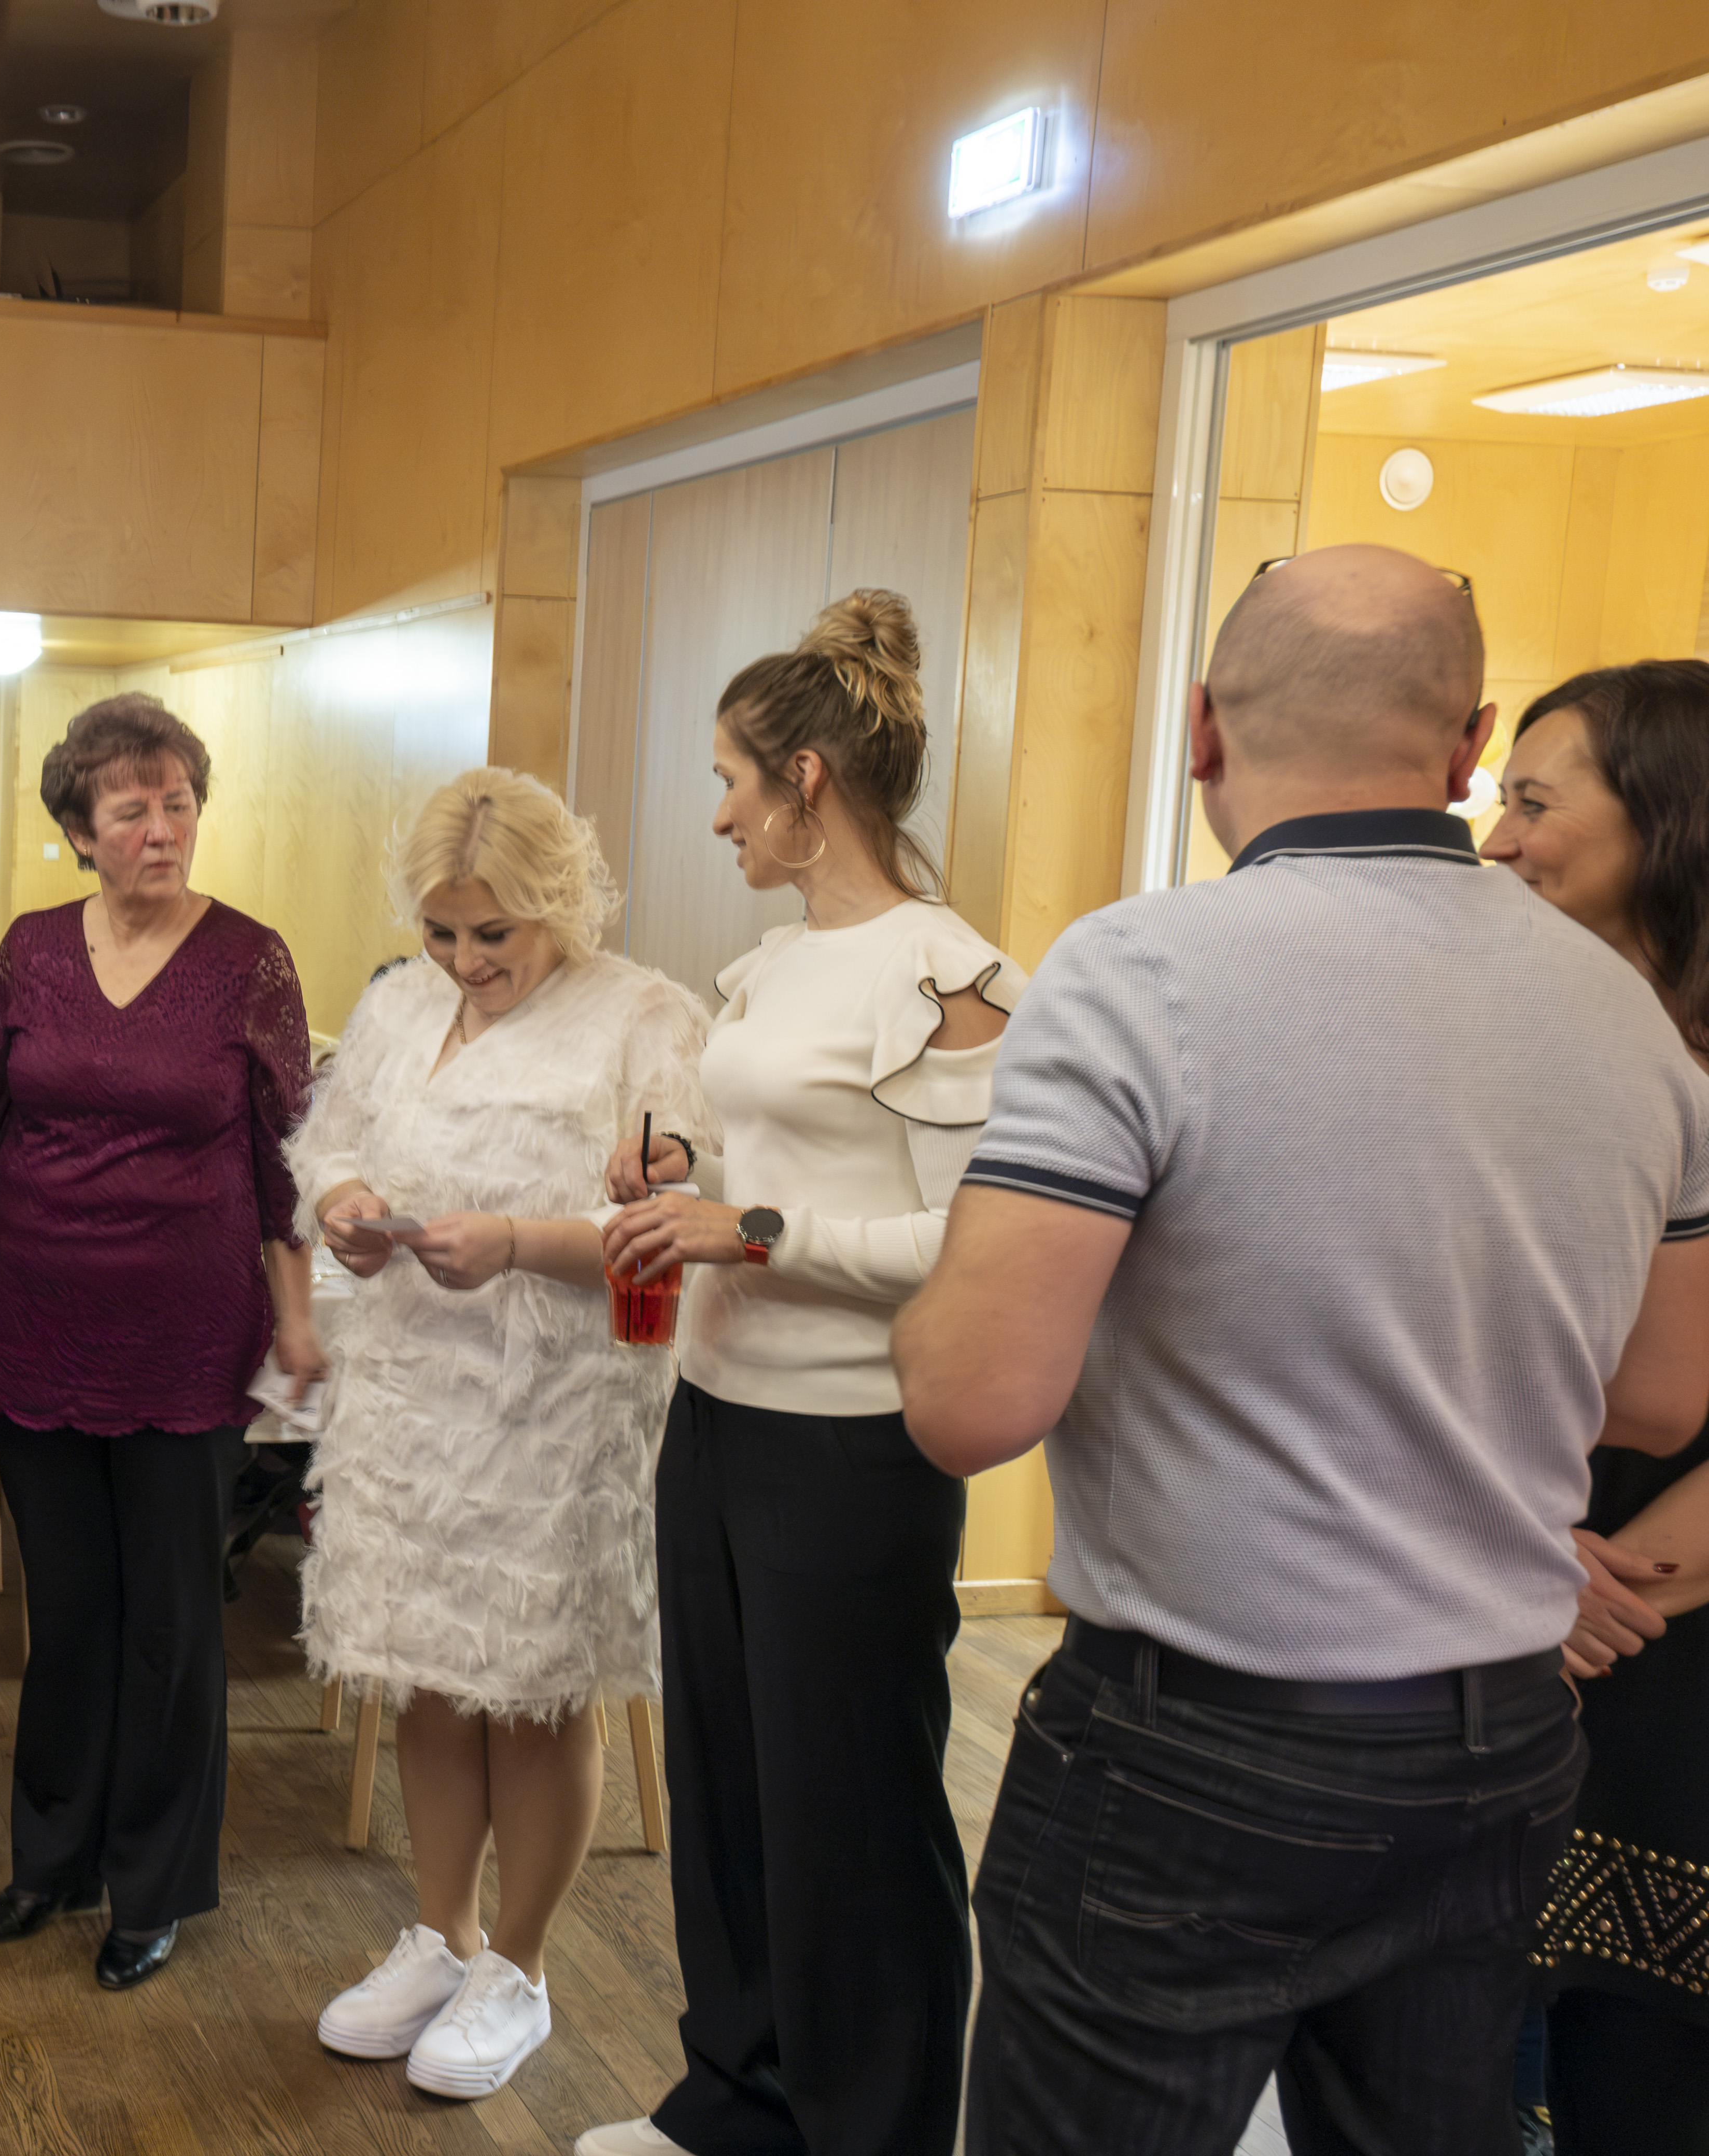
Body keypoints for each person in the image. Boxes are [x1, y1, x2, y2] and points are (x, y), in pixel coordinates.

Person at [895, 545, 1709, 2156]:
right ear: (1466, 744)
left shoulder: (1138, 971)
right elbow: (1663, 1394)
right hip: (1499, 1742)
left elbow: (969, 1405)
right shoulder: (1627, 1016)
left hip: (1198, 1738)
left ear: (1202, 726)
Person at [580, 591, 1024, 2156]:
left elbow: (972, 1239)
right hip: (716, 1414)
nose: (717, 816)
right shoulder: (772, 965)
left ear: (807, 781)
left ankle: (871, 2126)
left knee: (851, 1812)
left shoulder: (953, 977)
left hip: (852, 1446)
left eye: (730, 781)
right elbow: (771, 1168)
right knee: (731, 1785)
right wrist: (684, 1174)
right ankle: (740, 2099)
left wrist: (748, 1229)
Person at [292, 766, 709, 2102]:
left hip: (553, 1406)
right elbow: (326, 1142)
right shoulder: (399, 1005)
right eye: (441, 931)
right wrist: (347, 1201)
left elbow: (674, 1221)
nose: (466, 961)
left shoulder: (643, 1017)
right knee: (424, 1670)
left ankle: (517, 1966)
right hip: (408, 1394)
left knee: (531, 1685)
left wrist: (523, 1241)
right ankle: (441, 1932)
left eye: (495, 934)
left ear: (559, 903)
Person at [0, 692, 322, 1992]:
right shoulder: (32, 947)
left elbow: (285, 1152)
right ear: (80, 828)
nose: (161, 829)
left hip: (185, 1327)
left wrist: (296, 1312)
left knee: (170, 1617)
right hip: (39, 1316)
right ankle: (51, 1860)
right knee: (67, 1613)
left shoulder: (248, 958)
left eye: (179, 804)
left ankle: (152, 1885)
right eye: (131, 809)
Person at [1485, 661, 1709, 2153]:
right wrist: (1514, 1555)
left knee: (1641, 2079)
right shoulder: (1518, 1053)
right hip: (1501, 1607)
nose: (1494, 839)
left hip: (1654, 1638)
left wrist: (1599, 1593)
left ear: (1670, 825)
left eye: (1531, 802)